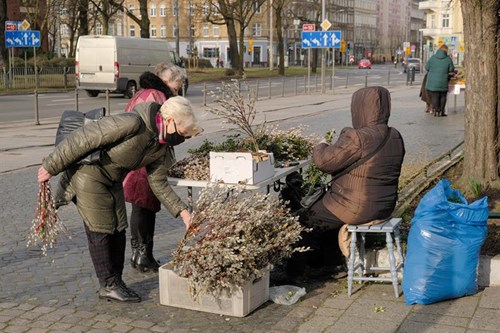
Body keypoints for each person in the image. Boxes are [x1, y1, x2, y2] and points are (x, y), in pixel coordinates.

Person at [37, 96, 201, 303]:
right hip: (88, 175)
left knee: (118, 227)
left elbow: (158, 183)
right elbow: (84, 138)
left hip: (113, 179)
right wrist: (50, 166)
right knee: (101, 228)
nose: (182, 139)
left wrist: (184, 213)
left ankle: (117, 281)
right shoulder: (132, 123)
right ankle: (108, 284)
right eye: (182, 133)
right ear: (169, 121)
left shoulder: (161, 145)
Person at [286, 86, 405, 281]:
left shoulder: (358, 137)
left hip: (355, 206)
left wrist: (322, 145)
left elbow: (324, 162)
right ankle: (331, 265)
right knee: (325, 212)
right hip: (384, 206)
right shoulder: (394, 135)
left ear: (358, 109)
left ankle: (293, 275)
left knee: (304, 220)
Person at [123, 63, 187, 273]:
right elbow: (159, 128)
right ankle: (142, 255)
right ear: (167, 81)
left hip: (139, 156)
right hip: (144, 159)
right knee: (144, 205)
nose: (176, 91)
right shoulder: (156, 95)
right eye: (176, 87)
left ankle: (141, 255)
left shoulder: (146, 92)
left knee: (143, 206)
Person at [425, 44, 454, 117]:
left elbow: (426, 67)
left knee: (435, 96)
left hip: (433, 82)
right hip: (443, 81)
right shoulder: (448, 59)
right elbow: (451, 69)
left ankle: (436, 111)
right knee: (443, 96)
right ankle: (441, 111)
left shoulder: (432, 58)